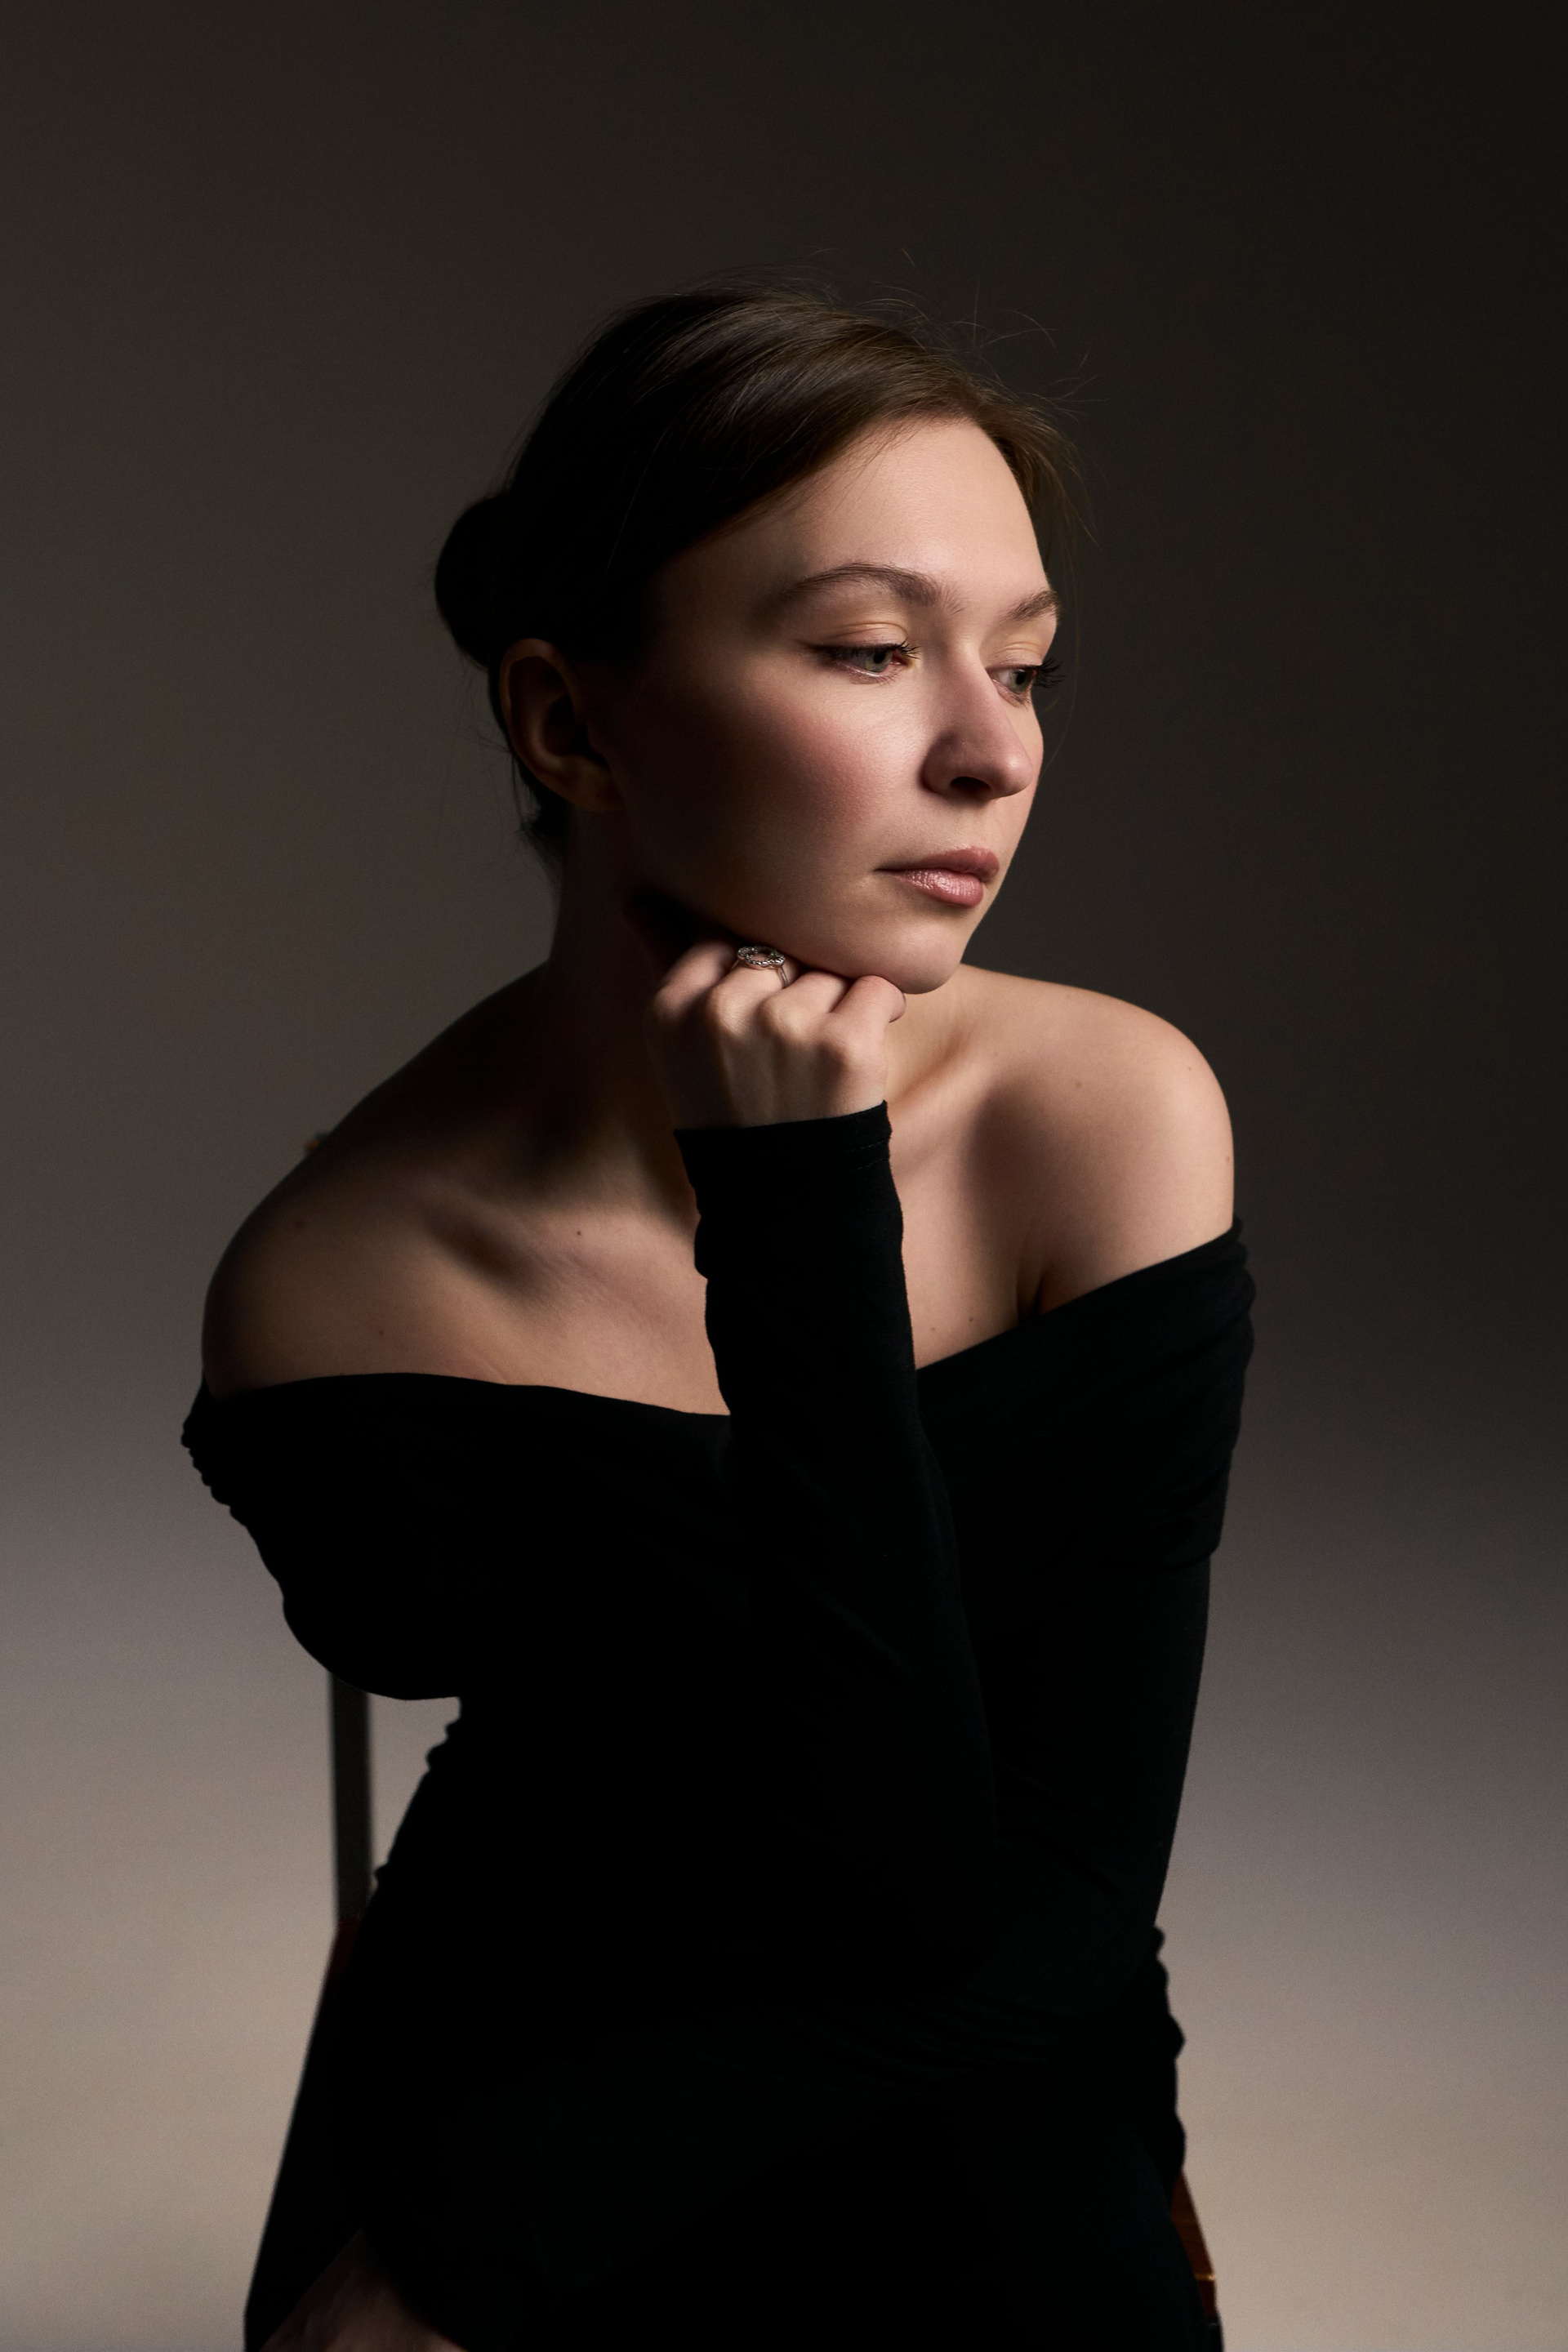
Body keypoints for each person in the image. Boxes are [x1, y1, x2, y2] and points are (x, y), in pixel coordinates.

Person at [184, 284, 1252, 2350]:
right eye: (871, 650)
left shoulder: (1106, 1121)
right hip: (546, 2009)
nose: (994, 750)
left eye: (1025, 662)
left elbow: (984, 1906)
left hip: (984, 2038)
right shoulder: (341, 1285)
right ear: (571, 725)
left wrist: (798, 1205)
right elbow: (722, 1862)